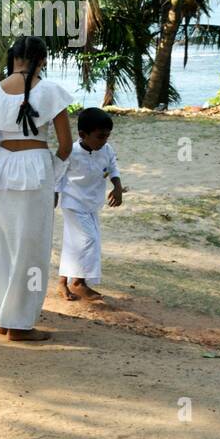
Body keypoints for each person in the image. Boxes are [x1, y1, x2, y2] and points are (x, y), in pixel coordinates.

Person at [0, 36, 74, 342]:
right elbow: (66, 145)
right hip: (36, 166)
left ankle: (6, 318)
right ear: (42, 60)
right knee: (31, 247)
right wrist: (51, 171)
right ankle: (19, 324)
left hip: (4, 166)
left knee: (2, 244)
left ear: (13, 58)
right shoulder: (51, 92)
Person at [57, 107, 122, 301]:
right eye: (100, 137)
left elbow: (113, 167)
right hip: (73, 203)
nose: (104, 141)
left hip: (93, 204)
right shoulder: (71, 152)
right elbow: (57, 173)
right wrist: (53, 194)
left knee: (74, 243)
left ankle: (62, 282)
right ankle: (78, 282)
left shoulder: (106, 149)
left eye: (107, 136)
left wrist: (117, 186)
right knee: (88, 240)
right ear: (83, 135)